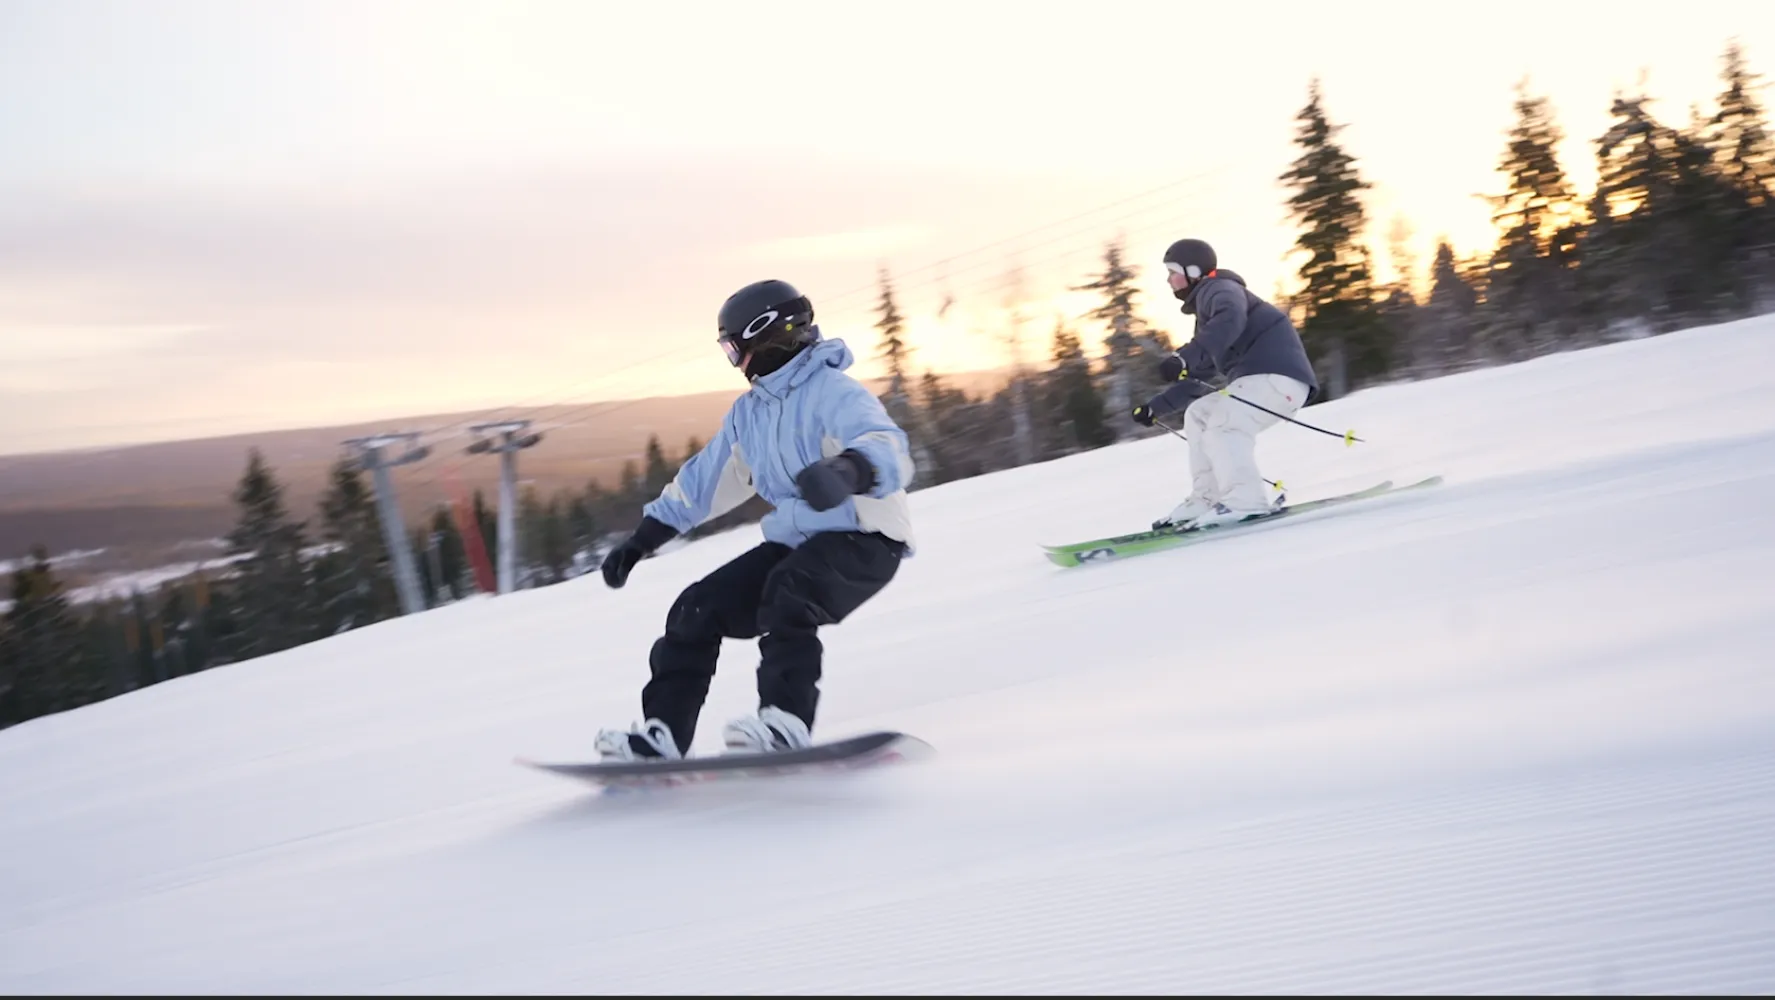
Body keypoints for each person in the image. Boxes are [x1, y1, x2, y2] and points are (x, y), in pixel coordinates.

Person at [593, 278, 917, 762]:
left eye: (732, 347)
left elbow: (889, 446)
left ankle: (785, 724)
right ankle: (661, 737)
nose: (734, 360)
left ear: (764, 334)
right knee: (695, 607)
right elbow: (703, 482)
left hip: (865, 540)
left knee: (791, 590)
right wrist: (642, 540)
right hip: (798, 544)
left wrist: (848, 471)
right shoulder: (751, 414)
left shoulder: (833, 393)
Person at [1130, 238, 1319, 530]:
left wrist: (1184, 356)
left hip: (1278, 378)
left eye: (1172, 271)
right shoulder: (1208, 312)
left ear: (1193, 271)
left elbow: (1229, 320)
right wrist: (1156, 408)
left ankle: (1245, 500)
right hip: (1261, 382)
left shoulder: (1221, 290)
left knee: (1225, 424)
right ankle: (1206, 498)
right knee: (1199, 415)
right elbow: (1199, 374)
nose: (1168, 279)